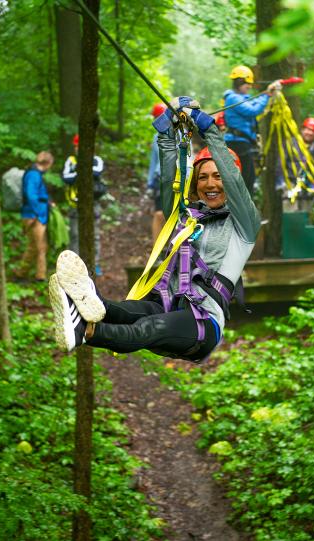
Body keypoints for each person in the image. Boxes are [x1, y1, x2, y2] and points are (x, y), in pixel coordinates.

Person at [48, 99, 261, 362]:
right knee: (121, 310)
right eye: (203, 177)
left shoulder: (244, 226)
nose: (210, 183)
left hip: (202, 323)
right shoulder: (188, 218)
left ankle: (86, 332)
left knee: (148, 328)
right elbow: (167, 182)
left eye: (218, 176)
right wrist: (166, 135)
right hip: (167, 304)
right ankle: (82, 302)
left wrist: (210, 131)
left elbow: (234, 181)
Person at [223, 65, 281, 194]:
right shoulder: (233, 98)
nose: (249, 86)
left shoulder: (240, 98)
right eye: (247, 84)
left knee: (249, 178)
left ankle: (244, 208)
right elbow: (252, 110)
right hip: (237, 143)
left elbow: (253, 104)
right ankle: (242, 209)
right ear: (239, 83)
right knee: (246, 179)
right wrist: (266, 96)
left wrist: (268, 94)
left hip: (242, 143)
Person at [62, 134, 106, 275]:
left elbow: (97, 171)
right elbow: (66, 177)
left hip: (93, 203)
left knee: (95, 234)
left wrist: (79, 169)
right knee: (75, 234)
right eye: (76, 146)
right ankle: (74, 265)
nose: (78, 149)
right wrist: (82, 170)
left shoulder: (96, 160)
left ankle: (95, 263)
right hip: (75, 203)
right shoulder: (70, 160)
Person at [18, 151, 54, 282]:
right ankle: (39, 277)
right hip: (33, 216)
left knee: (35, 246)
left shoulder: (35, 174)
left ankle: (24, 273)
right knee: (40, 247)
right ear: (48, 163)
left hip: (35, 214)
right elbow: (31, 195)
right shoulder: (33, 175)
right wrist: (37, 214)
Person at [147, 103, 166, 242]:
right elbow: (154, 161)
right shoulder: (156, 137)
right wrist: (149, 183)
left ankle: (177, 251)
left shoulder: (178, 134)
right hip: (159, 180)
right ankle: (157, 252)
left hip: (176, 178)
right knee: (159, 214)